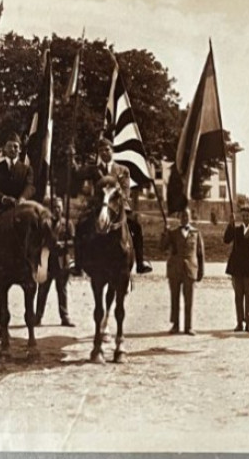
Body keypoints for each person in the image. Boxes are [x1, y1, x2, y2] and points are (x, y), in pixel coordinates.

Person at [84, 137, 151, 274]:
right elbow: (89, 189)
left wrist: (118, 194)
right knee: (82, 224)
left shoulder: (123, 170)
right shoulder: (94, 171)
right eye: (101, 150)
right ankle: (80, 261)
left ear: (112, 151)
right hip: (99, 208)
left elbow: (126, 191)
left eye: (107, 150)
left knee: (136, 227)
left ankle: (140, 261)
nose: (104, 153)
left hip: (118, 207)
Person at [162, 209, 204, 335]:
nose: (185, 218)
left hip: (190, 269)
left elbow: (200, 254)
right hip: (174, 269)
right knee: (174, 298)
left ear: (190, 217)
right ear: (179, 217)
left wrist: (201, 271)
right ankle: (175, 325)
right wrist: (165, 234)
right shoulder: (173, 233)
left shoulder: (196, 233)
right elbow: (162, 247)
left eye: (187, 215)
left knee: (189, 299)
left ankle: (188, 326)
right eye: (182, 215)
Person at [35, 197, 75, 328]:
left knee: (62, 290)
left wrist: (63, 244)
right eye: (54, 207)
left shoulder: (67, 223)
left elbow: (73, 241)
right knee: (42, 289)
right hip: (48, 260)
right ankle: (38, 316)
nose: (57, 210)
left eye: (59, 207)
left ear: (62, 208)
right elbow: (39, 240)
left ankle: (64, 316)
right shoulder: (45, 224)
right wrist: (49, 244)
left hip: (62, 260)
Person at [224, 202, 249, 332]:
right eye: (243, 215)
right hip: (237, 269)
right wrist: (230, 224)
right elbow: (226, 240)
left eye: (248, 216)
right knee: (238, 296)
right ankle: (239, 323)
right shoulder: (236, 230)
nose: (245, 218)